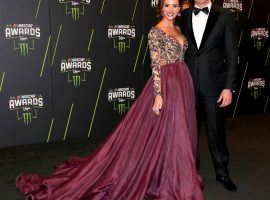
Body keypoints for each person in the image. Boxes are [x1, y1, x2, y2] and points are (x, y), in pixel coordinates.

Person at [15, 0, 204, 199]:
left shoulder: (179, 29)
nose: (171, 10)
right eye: (167, 5)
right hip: (166, 84)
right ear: (160, 8)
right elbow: (155, 64)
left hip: (182, 81)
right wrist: (158, 95)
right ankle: (165, 177)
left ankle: (174, 173)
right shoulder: (155, 31)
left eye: (175, 6)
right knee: (162, 131)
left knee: (178, 131)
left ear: (180, 8)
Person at [179, 0, 238, 192]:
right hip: (188, 84)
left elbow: (231, 54)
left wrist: (228, 87)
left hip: (214, 86)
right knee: (189, 132)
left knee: (216, 132)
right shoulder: (184, 15)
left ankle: (222, 172)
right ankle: (190, 170)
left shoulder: (225, 16)